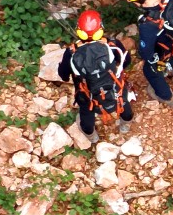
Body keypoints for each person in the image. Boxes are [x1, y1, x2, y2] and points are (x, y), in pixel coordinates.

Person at [57, 9, 134, 148]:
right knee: (122, 99)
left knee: (86, 111)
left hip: (88, 94)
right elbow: (126, 60)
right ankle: (126, 123)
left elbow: (63, 75)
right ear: (101, 29)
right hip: (113, 86)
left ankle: (91, 136)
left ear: (79, 31)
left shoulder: (71, 53)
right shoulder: (112, 44)